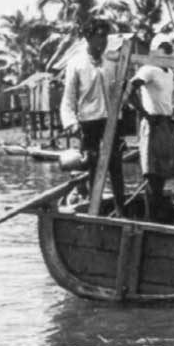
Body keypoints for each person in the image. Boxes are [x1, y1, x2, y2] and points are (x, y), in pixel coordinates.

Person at [60, 18, 125, 214]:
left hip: (111, 120)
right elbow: (68, 98)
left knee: (115, 165)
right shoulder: (76, 63)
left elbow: (119, 91)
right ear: (88, 38)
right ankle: (93, 207)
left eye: (105, 37)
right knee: (93, 165)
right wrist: (71, 123)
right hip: (89, 122)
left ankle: (121, 209)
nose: (103, 41)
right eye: (99, 37)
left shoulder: (111, 62)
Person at [126, 38, 174, 220]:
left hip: (166, 122)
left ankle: (158, 213)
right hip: (153, 122)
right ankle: (152, 216)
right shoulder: (148, 70)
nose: (166, 53)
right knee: (152, 172)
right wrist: (144, 114)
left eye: (168, 50)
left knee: (164, 171)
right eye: (162, 50)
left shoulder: (169, 72)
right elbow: (129, 90)